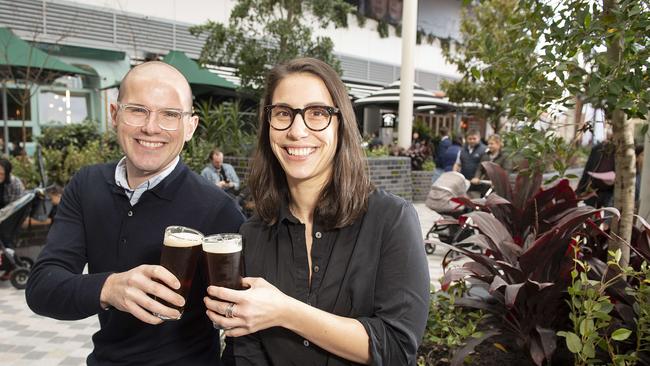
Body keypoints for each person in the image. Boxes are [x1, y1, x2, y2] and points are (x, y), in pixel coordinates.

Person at [204, 58, 430, 365]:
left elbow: (396, 347)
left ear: (340, 124)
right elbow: (246, 352)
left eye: (317, 113)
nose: (297, 131)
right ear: (268, 125)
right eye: (283, 113)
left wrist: (284, 311)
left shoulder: (391, 219)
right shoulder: (253, 235)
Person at [25, 61, 245, 365]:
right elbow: (42, 288)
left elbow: (241, 326)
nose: (151, 127)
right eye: (137, 110)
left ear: (190, 127)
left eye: (169, 114)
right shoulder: (87, 185)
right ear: (115, 115)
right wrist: (109, 287)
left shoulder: (219, 210)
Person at [576, 137, 615, 208]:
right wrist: (579, 191)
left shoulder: (623, 153)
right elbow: (587, 171)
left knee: (609, 215)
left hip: (610, 193)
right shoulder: (598, 149)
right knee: (589, 214)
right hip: (593, 190)